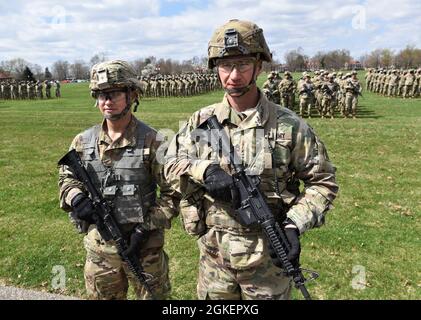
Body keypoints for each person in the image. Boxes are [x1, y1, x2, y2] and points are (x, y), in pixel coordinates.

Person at [164, 19, 339, 300]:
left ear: (259, 65)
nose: (233, 75)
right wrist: (203, 170)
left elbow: (323, 182)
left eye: (243, 64)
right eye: (225, 65)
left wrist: (295, 223)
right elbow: (170, 164)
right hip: (214, 262)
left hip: (268, 263)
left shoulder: (289, 125)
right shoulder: (200, 121)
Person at [58, 60, 179, 300]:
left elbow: (173, 193)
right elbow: (66, 178)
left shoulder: (153, 141)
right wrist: (76, 198)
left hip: (145, 251)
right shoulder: (83, 142)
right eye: (101, 94)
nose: (106, 101)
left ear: (131, 94)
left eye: (113, 93)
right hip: (101, 252)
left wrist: (144, 229)